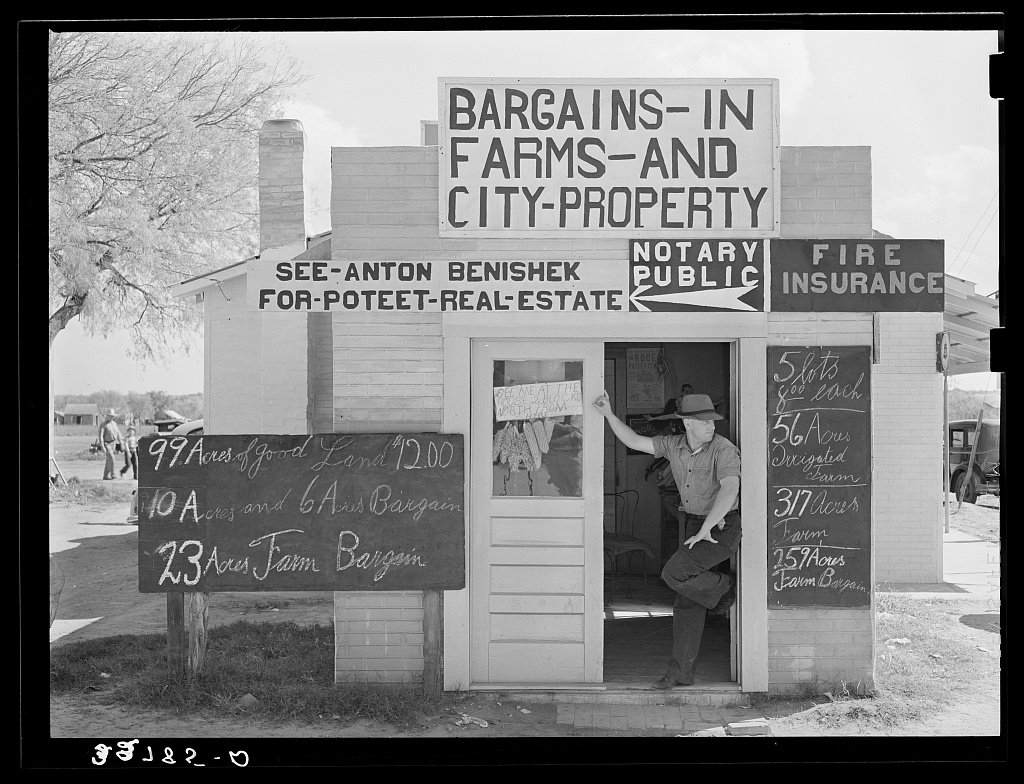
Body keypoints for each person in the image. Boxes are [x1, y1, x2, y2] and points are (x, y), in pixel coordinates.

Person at [593, 390, 741, 689]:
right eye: (704, 421)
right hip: (696, 527)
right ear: (687, 423)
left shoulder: (723, 449)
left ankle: (724, 589)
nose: (712, 425)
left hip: (721, 529)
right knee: (686, 604)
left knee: (672, 573)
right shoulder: (674, 445)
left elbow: (730, 489)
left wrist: (707, 527)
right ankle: (680, 673)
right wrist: (609, 415)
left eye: (713, 420)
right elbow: (635, 441)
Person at [98, 409, 124, 480]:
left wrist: (121, 442)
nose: (111, 417)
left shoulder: (114, 424)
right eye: (110, 416)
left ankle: (106, 475)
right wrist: (102, 446)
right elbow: (101, 436)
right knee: (112, 458)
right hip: (107, 443)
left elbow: (118, 433)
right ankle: (113, 474)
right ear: (107, 416)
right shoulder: (103, 425)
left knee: (109, 460)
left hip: (113, 443)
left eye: (112, 416)